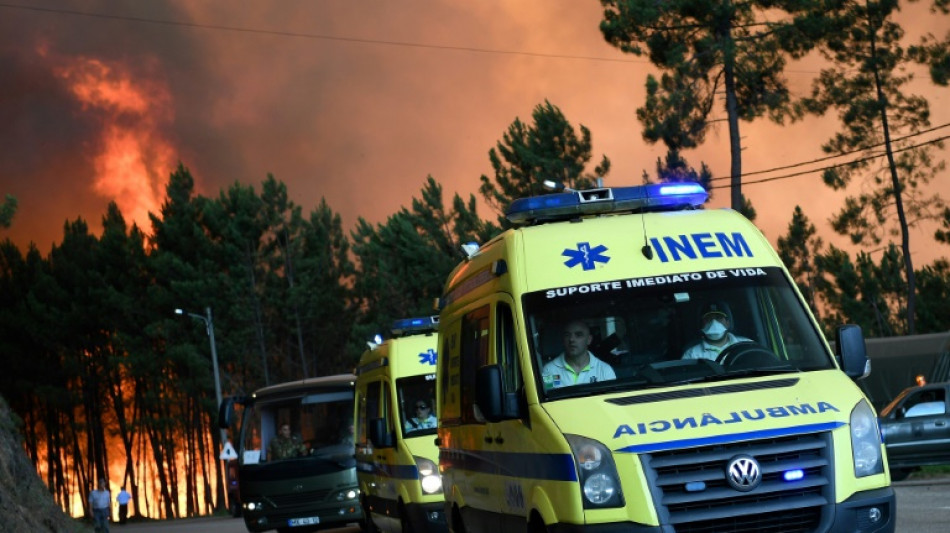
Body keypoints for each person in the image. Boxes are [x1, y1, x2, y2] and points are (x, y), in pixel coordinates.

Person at [541, 320, 616, 388]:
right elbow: (548, 398)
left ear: (589, 340)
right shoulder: (549, 370)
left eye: (578, 335)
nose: (571, 339)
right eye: (567, 335)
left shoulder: (605, 370)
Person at [682, 301, 751, 361]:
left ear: (728, 323)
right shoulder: (692, 354)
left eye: (719, 318)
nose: (714, 323)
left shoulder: (747, 345)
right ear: (701, 324)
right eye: (708, 319)